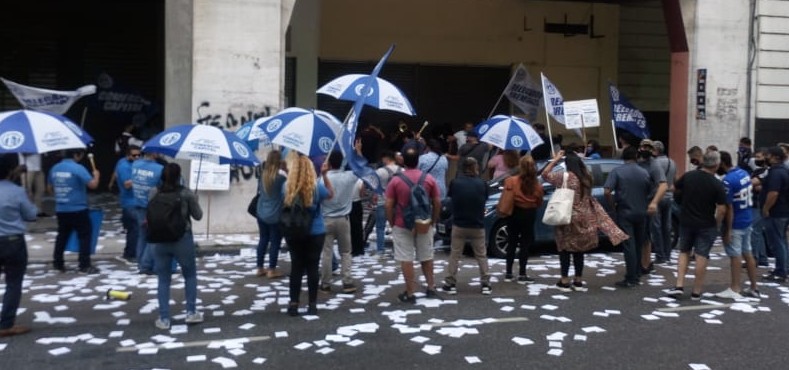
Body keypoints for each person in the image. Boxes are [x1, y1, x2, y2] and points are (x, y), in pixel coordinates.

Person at [541, 151, 628, 292]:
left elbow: (544, 174)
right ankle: (578, 280)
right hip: (584, 216)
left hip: (566, 216)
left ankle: (564, 280)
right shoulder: (587, 177)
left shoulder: (566, 177)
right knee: (579, 249)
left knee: (564, 248)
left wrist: (555, 159)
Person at [666, 151, 727, 300]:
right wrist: (717, 223)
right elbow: (722, 209)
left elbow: (674, 188)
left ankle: (679, 285)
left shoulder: (689, 176)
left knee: (684, 251)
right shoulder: (717, 184)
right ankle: (696, 291)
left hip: (686, 220)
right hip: (706, 223)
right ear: (717, 165)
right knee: (701, 255)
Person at [150, 163, 204, 330]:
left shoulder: (154, 192)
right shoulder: (186, 193)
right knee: (190, 275)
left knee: (163, 279)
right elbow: (198, 216)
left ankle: (164, 318)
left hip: (159, 239)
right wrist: (195, 200)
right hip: (182, 238)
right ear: (179, 175)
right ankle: (190, 312)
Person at [385, 148, 442, 303]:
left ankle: (410, 293)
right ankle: (431, 287)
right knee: (426, 256)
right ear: (418, 160)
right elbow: (437, 202)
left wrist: (392, 222)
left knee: (406, 258)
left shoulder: (396, 180)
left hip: (402, 223)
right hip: (424, 222)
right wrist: (433, 220)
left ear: (403, 160)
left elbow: (389, 204)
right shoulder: (428, 178)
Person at [283, 151, 333, 316]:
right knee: (312, 267)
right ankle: (312, 304)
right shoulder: (315, 187)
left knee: (296, 267)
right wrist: (325, 175)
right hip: (316, 231)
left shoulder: (287, 187)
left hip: (294, 230)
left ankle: (293, 303)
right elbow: (331, 194)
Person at [605, 146, 654, 288]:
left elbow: (607, 191)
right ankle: (637, 272)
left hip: (625, 211)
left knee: (629, 245)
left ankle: (631, 277)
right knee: (639, 243)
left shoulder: (617, 172)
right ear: (636, 157)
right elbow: (651, 191)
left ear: (623, 158)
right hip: (641, 212)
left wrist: (612, 204)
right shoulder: (644, 172)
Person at [441, 158, 490, 295]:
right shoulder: (482, 184)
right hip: (477, 223)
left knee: (455, 254)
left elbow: (451, 198)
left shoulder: (455, 183)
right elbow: (484, 199)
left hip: (459, 223)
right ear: (475, 167)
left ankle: (450, 283)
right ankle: (485, 282)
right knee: (481, 255)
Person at [0, 154, 37, 337]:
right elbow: (31, 215)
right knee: (13, 283)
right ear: (10, 170)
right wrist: (27, 196)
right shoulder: (16, 191)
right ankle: (6, 324)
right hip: (13, 241)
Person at [715, 151, 760, 299]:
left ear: (721, 163)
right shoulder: (743, 173)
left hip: (736, 222)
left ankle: (735, 287)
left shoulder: (727, 181)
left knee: (735, 255)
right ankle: (754, 287)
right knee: (747, 253)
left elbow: (729, 208)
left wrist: (726, 229)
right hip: (747, 217)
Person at [49, 149, 100, 274]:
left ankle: (58, 262)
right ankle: (84, 264)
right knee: (84, 236)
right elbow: (93, 185)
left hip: (61, 208)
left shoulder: (55, 168)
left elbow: (49, 188)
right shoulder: (78, 168)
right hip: (78, 208)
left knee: (62, 236)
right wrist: (97, 176)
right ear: (76, 155)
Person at [319, 151, 361, 294]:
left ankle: (325, 283)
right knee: (346, 252)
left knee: (326, 252)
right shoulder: (349, 176)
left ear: (329, 163)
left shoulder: (321, 179)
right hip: (343, 218)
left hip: (326, 218)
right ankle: (347, 281)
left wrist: (323, 173)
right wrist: (358, 153)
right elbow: (359, 169)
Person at [500, 155, 544, 284]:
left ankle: (508, 272)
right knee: (525, 244)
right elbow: (539, 201)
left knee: (511, 242)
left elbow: (506, 197)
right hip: (529, 214)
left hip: (514, 213)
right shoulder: (536, 184)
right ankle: (522, 273)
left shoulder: (511, 181)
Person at [636, 139, 667, 275]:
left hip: (648, 203)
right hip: (636, 202)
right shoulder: (637, 162)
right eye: (644, 147)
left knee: (646, 236)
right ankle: (641, 263)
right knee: (639, 235)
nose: (646, 150)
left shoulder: (654, 165)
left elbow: (663, 184)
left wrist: (654, 202)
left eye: (649, 147)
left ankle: (645, 264)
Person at [131, 151, 164, 275]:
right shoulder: (159, 169)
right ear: (154, 154)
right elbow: (162, 186)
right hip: (152, 207)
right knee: (154, 237)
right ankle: (146, 265)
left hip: (138, 203)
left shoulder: (135, 165)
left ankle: (141, 263)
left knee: (142, 235)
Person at [255, 150, 287, 278]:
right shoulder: (281, 178)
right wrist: (286, 170)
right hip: (275, 214)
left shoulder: (262, 175)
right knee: (275, 242)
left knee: (263, 239)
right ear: (279, 161)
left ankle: (260, 267)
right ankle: (272, 269)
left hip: (261, 212)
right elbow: (288, 189)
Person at [760, 146, 789, 283]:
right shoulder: (784, 171)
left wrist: (766, 208)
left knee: (777, 241)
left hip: (776, 212)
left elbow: (773, 193)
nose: (767, 157)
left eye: (769, 155)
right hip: (783, 211)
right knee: (782, 241)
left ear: (776, 157)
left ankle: (780, 271)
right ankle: (783, 268)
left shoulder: (776, 173)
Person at [114, 145, 141, 265]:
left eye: (139, 155)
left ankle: (129, 252)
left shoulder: (136, 164)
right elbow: (127, 184)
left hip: (136, 201)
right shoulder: (124, 166)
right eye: (134, 155)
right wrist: (141, 178)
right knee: (135, 229)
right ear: (128, 155)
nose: (137, 157)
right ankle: (131, 254)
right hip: (129, 202)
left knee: (133, 229)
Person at [651, 140, 677, 265]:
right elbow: (674, 181)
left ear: (655, 151)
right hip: (669, 197)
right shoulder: (672, 162)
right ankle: (668, 254)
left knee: (656, 227)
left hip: (657, 196)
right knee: (667, 227)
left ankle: (660, 255)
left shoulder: (654, 163)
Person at [372, 151, 401, 257]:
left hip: (383, 201)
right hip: (398, 202)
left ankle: (380, 250)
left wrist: (375, 195)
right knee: (398, 226)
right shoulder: (402, 170)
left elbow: (375, 186)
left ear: (386, 158)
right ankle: (398, 249)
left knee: (380, 227)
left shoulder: (379, 171)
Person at [749, 148, 771, 267]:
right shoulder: (757, 171)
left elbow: (758, 186)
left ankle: (755, 257)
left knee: (754, 231)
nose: (756, 160)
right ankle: (762, 257)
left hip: (758, 204)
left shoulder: (766, 172)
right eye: (756, 157)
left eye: (759, 157)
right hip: (755, 203)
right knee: (758, 232)